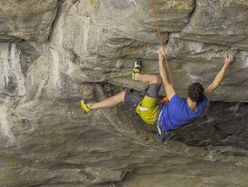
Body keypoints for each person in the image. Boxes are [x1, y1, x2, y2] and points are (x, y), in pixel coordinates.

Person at [80, 49, 234, 142]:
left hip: (151, 115)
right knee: (155, 86)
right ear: (201, 98)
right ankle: (136, 77)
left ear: (188, 96)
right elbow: (215, 84)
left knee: (128, 93)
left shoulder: (178, 104)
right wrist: (226, 64)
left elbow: (165, 82)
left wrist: (160, 60)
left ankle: (91, 106)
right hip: (163, 112)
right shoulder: (199, 106)